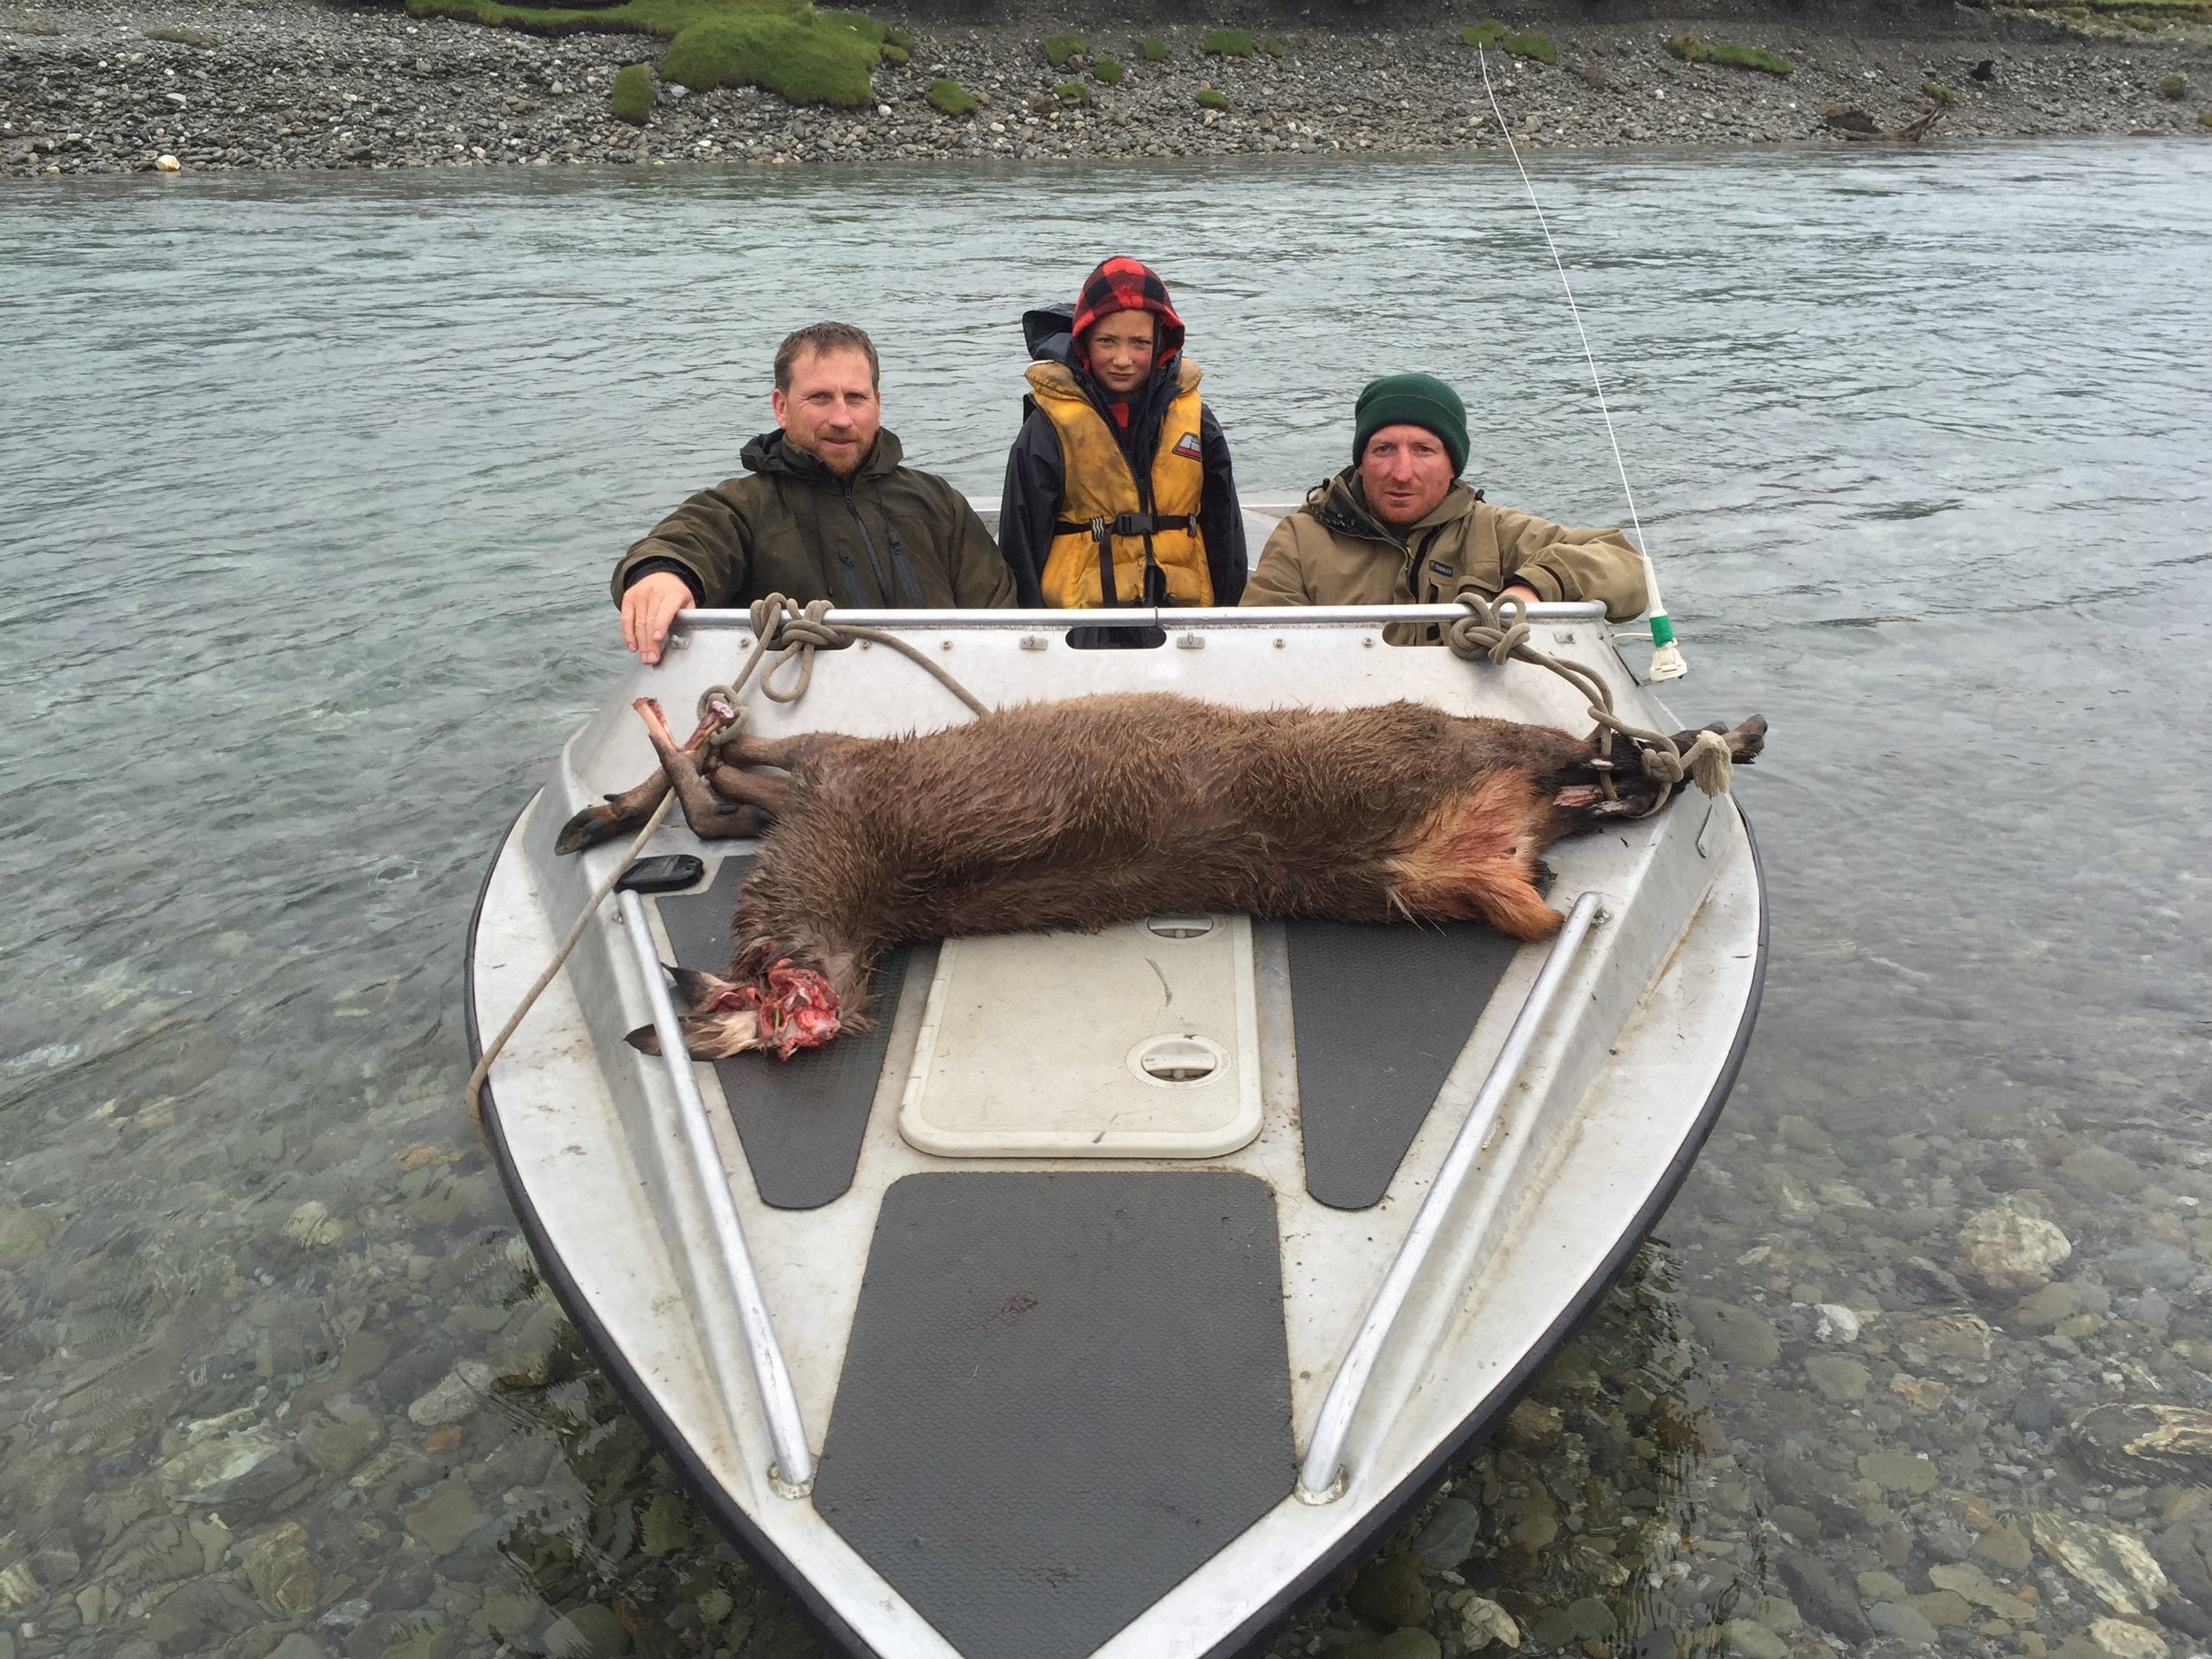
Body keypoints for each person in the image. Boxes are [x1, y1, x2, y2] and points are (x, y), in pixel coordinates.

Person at [613, 321, 1015, 666]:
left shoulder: (938, 502)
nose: (841, 418)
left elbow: (1001, 616)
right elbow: (689, 539)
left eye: (855, 398)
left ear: (877, 405)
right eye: (819, 398)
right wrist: (662, 575)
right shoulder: (744, 506)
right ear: (781, 406)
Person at [1240, 372, 1648, 625]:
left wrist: (1531, 590)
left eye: (1423, 450)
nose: (1402, 472)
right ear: (1360, 461)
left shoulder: (1494, 531)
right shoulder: (1300, 538)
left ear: (1453, 465)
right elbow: (1258, 645)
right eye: (1383, 450)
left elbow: (1627, 567)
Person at [997, 258, 1246, 622]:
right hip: (1079, 630)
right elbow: (1021, 543)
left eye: (1140, 343)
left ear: (1162, 343)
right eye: (1107, 342)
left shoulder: (1197, 421)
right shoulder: (1047, 427)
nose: (1123, 359)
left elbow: (1226, 532)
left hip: (1184, 622)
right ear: (1084, 341)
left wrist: (1228, 623)